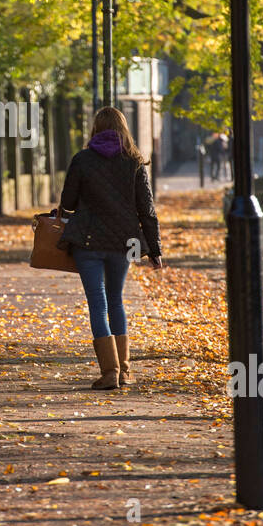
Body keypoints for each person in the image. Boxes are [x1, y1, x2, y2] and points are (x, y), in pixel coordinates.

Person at [58, 105, 163, 390]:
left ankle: (110, 373)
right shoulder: (135, 163)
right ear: (124, 129)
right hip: (123, 243)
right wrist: (155, 250)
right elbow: (147, 211)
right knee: (116, 300)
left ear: (95, 129)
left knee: (97, 301)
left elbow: (67, 203)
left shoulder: (82, 160)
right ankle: (126, 372)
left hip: (88, 243)